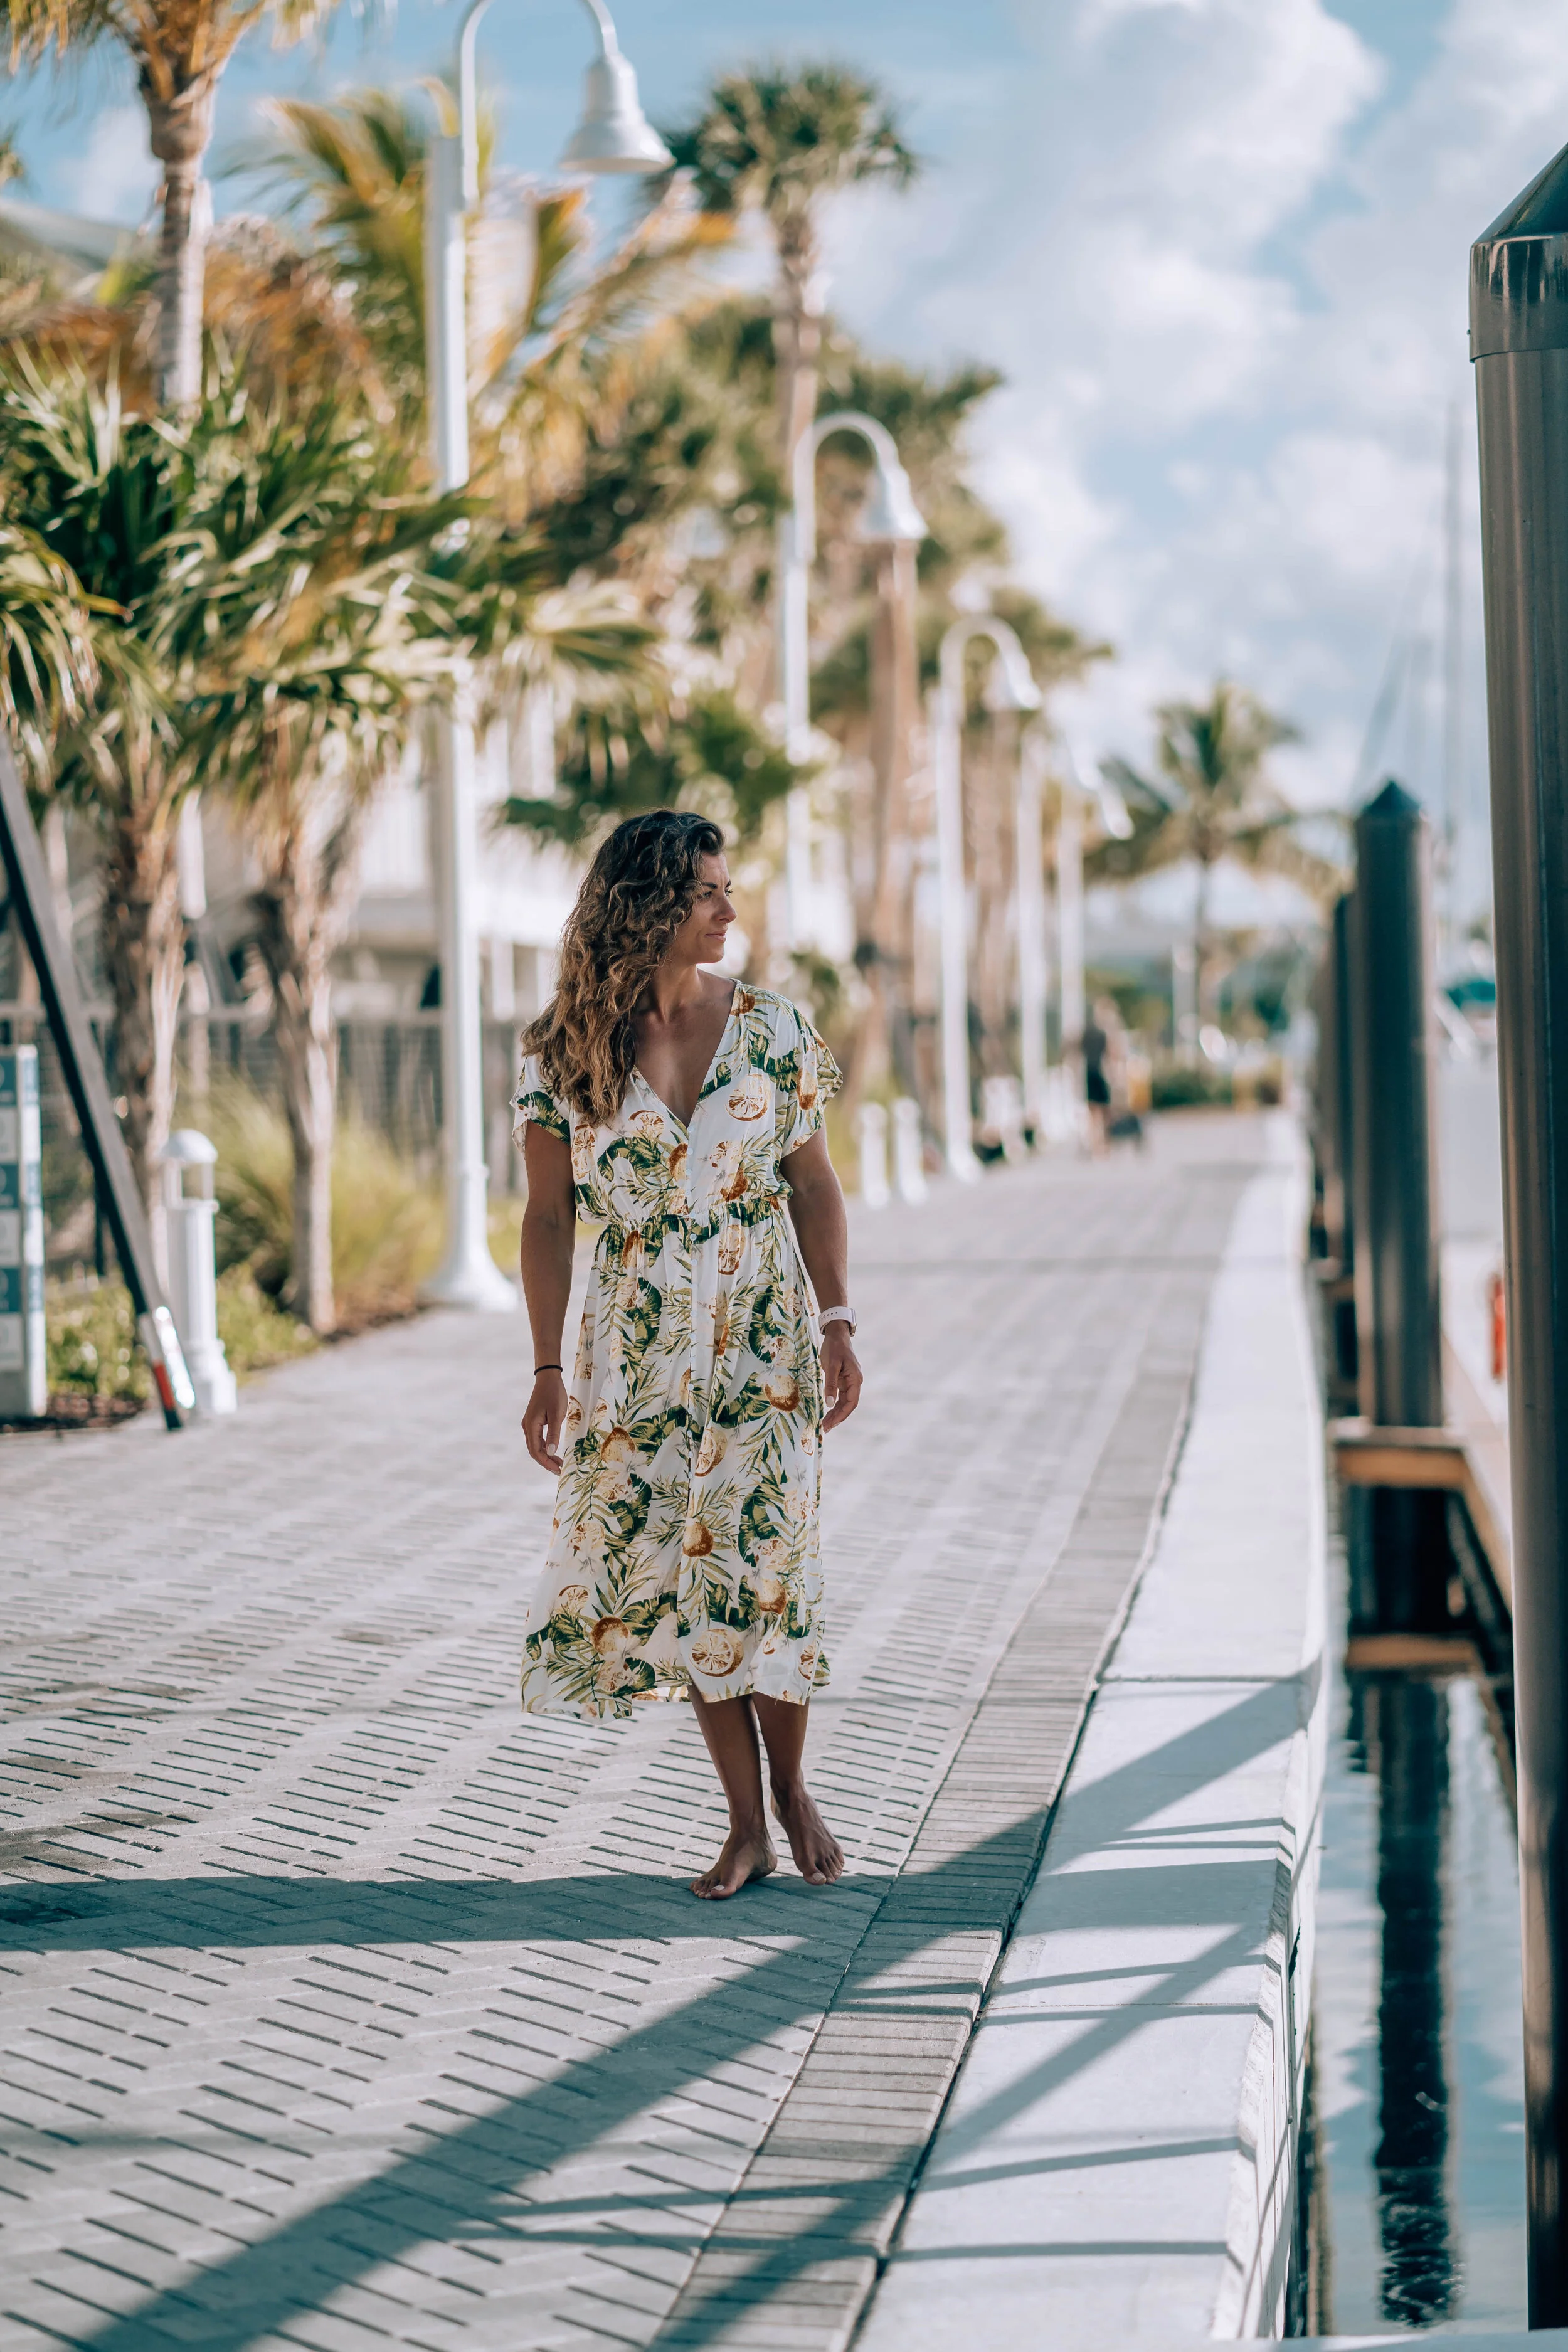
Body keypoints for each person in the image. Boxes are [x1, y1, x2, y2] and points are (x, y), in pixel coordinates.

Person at [512, 810, 864, 1902]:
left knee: (767, 1575)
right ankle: (744, 1824)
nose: (728, 909)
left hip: (761, 1341)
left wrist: (839, 1319)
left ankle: (795, 1787)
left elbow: (813, 1185)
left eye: (726, 889)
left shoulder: (772, 1028)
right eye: (708, 892)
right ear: (651, 903)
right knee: (684, 1576)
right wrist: (545, 1369)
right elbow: (545, 1219)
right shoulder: (567, 1048)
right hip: (637, 1355)